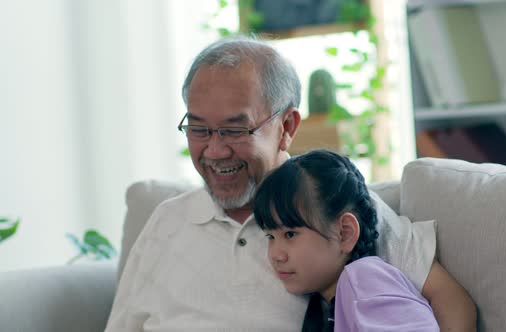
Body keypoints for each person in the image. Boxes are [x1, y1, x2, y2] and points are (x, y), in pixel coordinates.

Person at [105, 36, 476, 331]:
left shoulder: (329, 205)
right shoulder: (165, 222)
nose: (215, 150)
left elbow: (450, 300)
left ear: (287, 128)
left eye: (235, 130)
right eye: (199, 129)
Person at [253, 149, 439, 331]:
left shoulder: (362, 281)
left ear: (345, 233)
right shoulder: (327, 302)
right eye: (270, 236)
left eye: (290, 234)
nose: (276, 255)